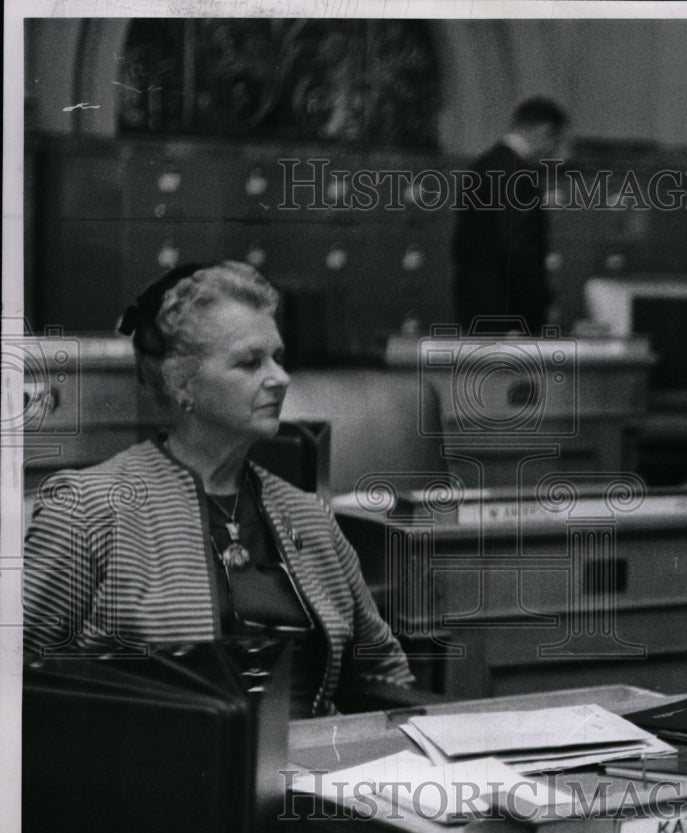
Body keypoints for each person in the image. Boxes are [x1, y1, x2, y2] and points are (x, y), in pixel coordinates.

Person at [23, 260, 414, 717]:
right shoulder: (89, 508)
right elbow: (17, 674)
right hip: (156, 774)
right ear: (181, 382)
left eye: (278, 358)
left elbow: (382, 669)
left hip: (311, 772)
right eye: (250, 362)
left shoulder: (307, 514)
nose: (281, 378)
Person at [452, 96, 568, 335]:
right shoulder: (519, 175)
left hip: (475, 303)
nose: (554, 150)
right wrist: (539, 305)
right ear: (545, 131)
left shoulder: (482, 165)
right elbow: (520, 249)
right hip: (510, 310)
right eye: (556, 140)